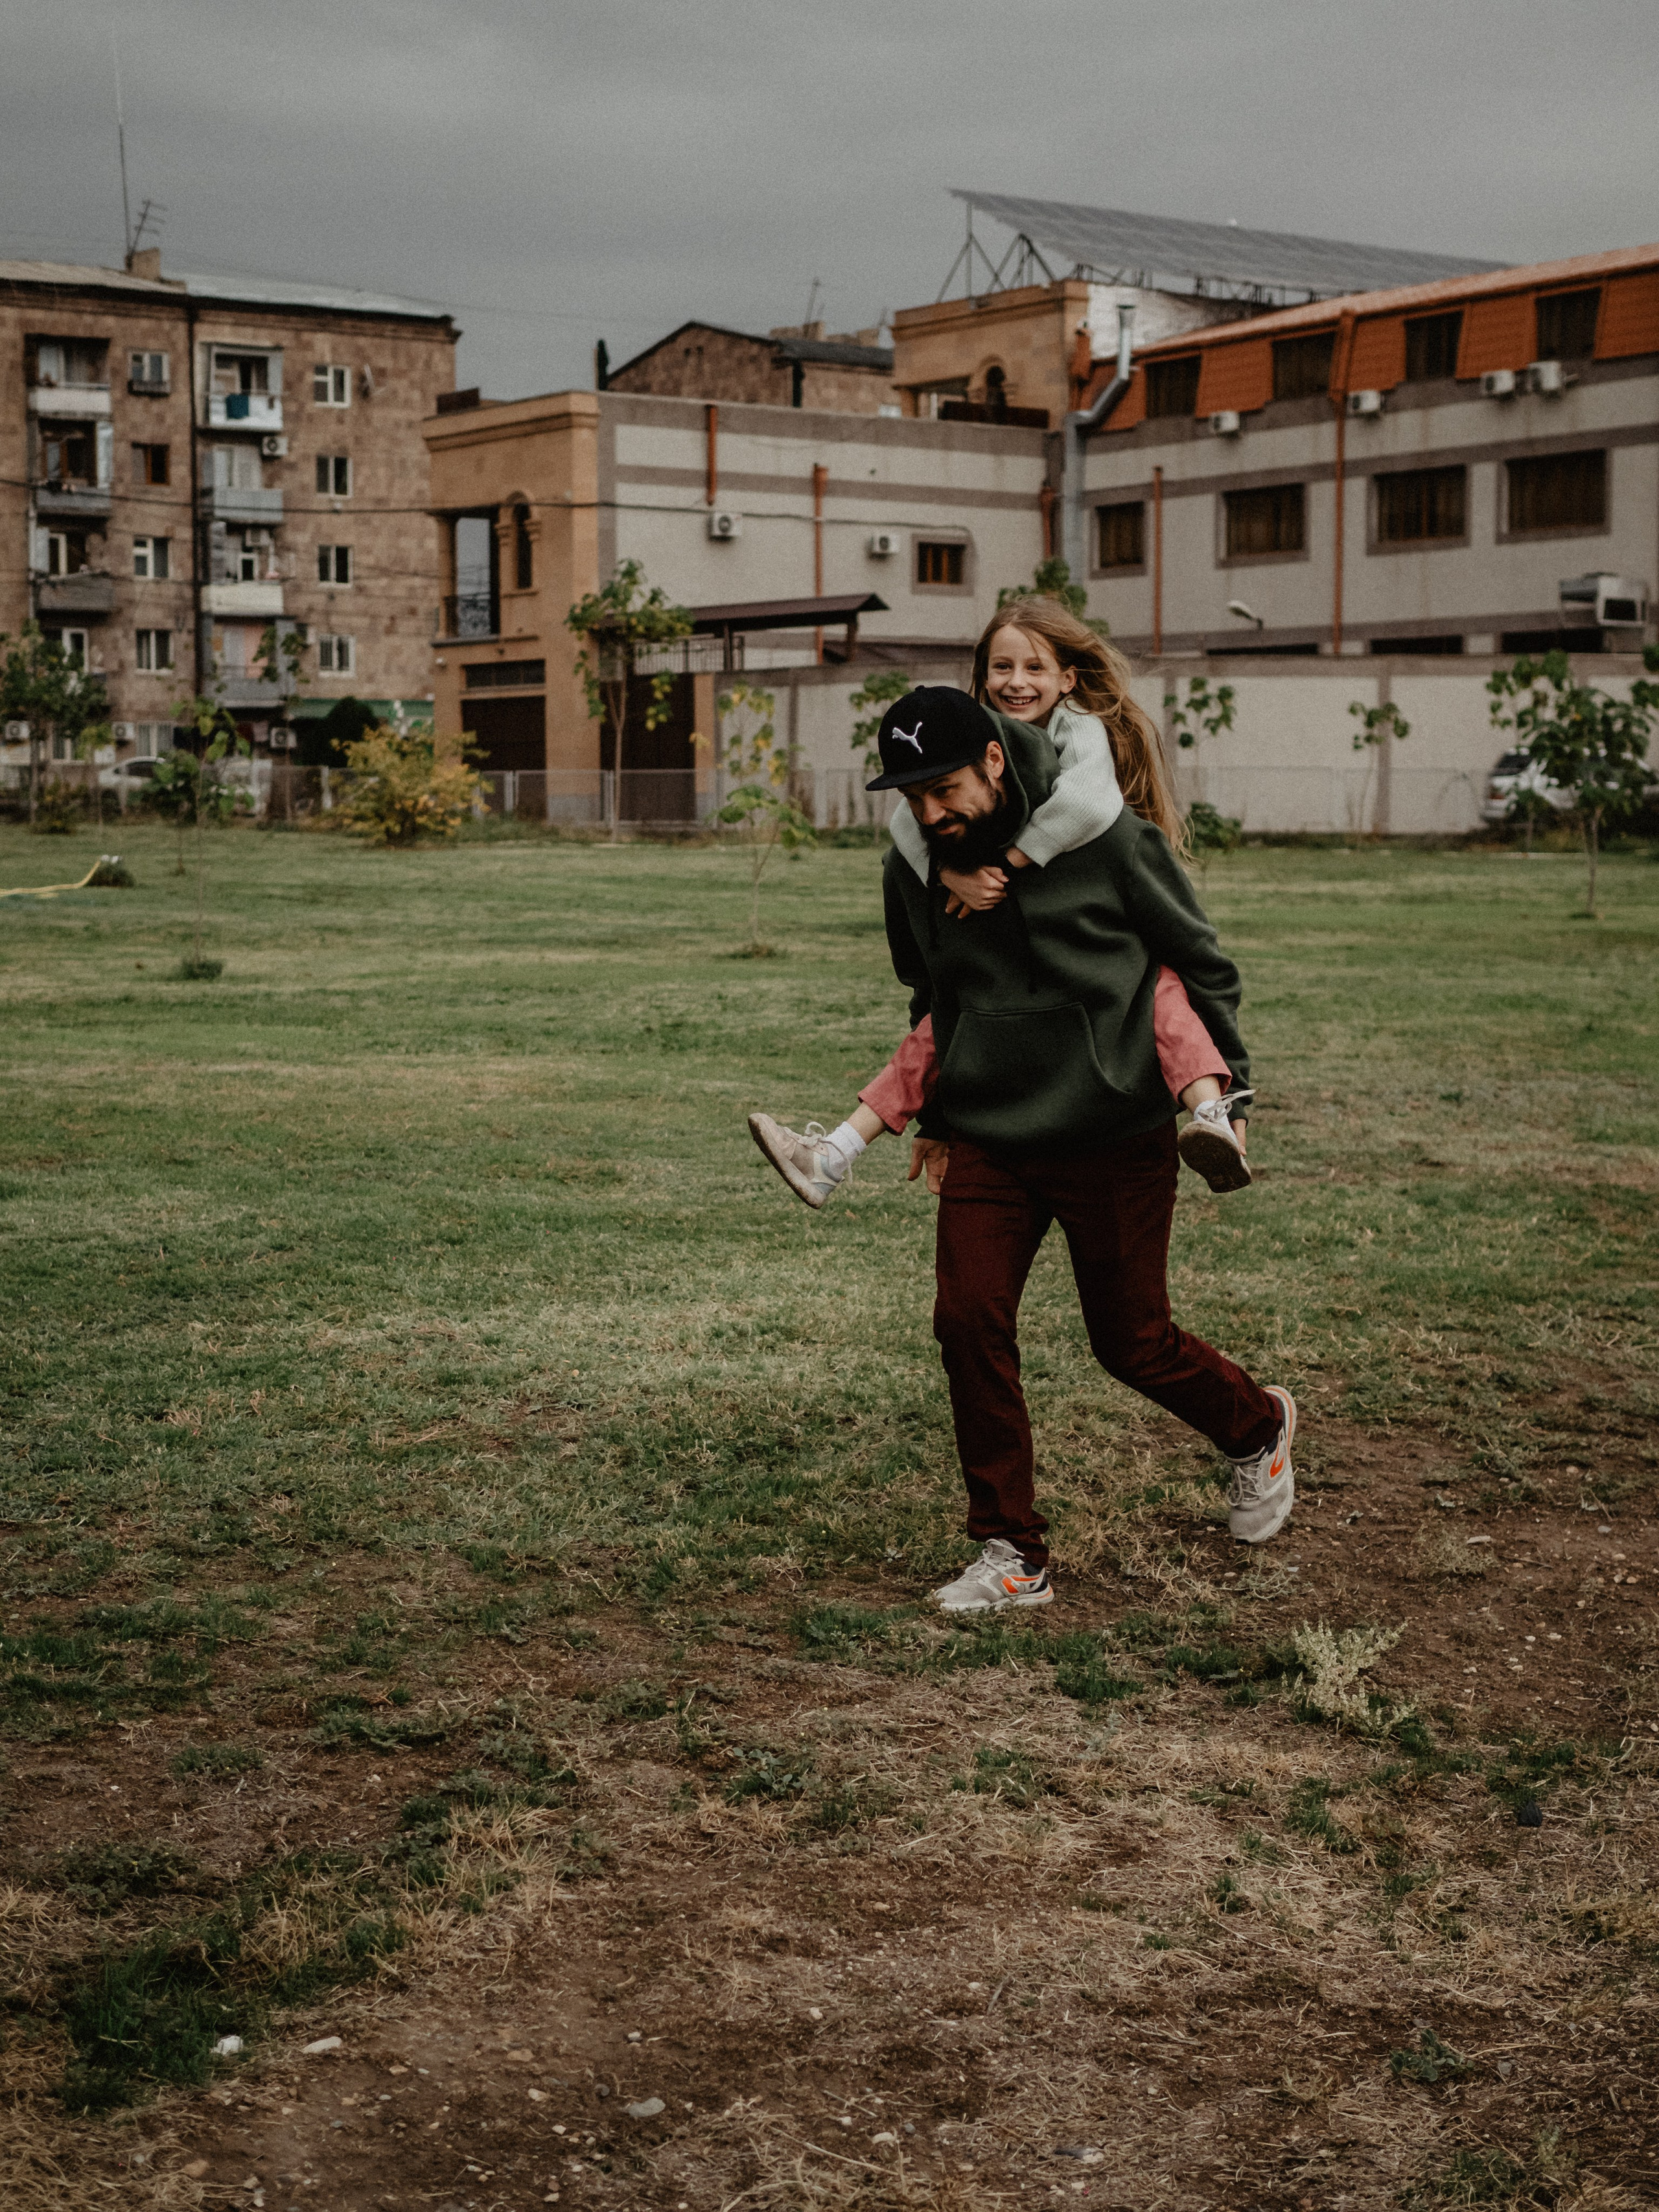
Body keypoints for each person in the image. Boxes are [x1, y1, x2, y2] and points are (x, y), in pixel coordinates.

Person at [772, 682, 1296, 1609]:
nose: (930, 813)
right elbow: (934, 995)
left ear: (992, 763)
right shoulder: (918, 867)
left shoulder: (1111, 841)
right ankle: (1011, 1551)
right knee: (967, 1321)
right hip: (991, 1134)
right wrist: (935, 1122)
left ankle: (1257, 1427)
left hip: (1115, 1130)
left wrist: (1232, 1091)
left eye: (944, 790)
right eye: (910, 796)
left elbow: (1200, 963)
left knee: (1131, 1342)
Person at [750, 603, 1250, 1207]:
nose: (1016, 681)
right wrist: (949, 870)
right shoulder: (953, 743)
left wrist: (1013, 860)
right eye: (1000, 666)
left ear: (1068, 677)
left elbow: (1091, 805)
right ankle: (833, 1153)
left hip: (1108, 1070)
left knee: (1159, 986)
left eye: (1034, 666)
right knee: (942, 1021)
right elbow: (910, 832)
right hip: (993, 1074)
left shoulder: (1082, 735)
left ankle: (1214, 1113)